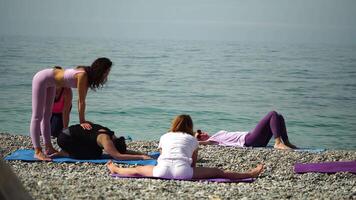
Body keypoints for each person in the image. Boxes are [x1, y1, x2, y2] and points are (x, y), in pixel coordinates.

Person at [107, 115, 264, 180]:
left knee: (136, 170)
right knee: (219, 172)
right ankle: (250, 173)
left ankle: (115, 169)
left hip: (161, 170)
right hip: (184, 172)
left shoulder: (164, 136)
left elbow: (162, 156)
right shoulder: (191, 139)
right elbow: (193, 163)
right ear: (190, 127)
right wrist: (194, 173)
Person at [30, 57, 112, 161]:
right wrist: (82, 121)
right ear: (101, 70)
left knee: (47, 116)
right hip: (42, 78)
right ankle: (37, 151)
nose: (107, 75)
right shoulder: (83, 75)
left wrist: (82, 119)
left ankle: (48, 148)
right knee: (37, 116)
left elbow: (81, 100)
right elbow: (81, 101)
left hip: (52, 83)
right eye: (107, 72)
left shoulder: (86, 75)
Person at [195, 111, 297, 150]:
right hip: (249, 140)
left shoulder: (217, 134)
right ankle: (278, 142)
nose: (201, 134)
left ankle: (286, 142)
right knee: (273, 114)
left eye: (200, 132)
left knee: (279, 117)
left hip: (257, 141)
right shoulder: (213, 141)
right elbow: (200, 143)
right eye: (199, 135)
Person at [51, 123, 152, 160]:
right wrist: (141, 157)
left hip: (66, 132)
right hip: (66, 139)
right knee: (95, 154)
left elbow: (123, 151)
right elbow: (118, 156)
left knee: (95, 148)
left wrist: (142, 153)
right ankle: (64, 154)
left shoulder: (110, 133)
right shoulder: (106, 140)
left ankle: (68, 151)